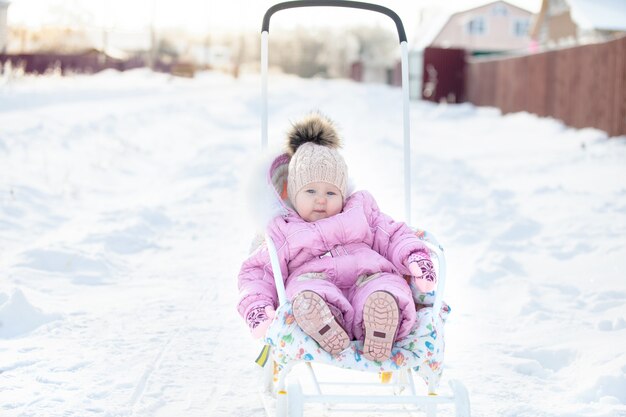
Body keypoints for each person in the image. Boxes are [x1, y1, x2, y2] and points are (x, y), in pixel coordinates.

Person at [237, 113, 436, 362]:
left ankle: (379, 323)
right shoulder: (284, 228)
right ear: (293, 194)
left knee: (387, 287)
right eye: (310, 191)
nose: (321, 199)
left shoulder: (360, 209)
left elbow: (393, 233)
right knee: (304, 293)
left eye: (331, 192)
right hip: (315, 280)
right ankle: (326, 324)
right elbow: (260, 271)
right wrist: (257, 306)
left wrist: (416, 257)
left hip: (369, 276)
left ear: (343, 194)